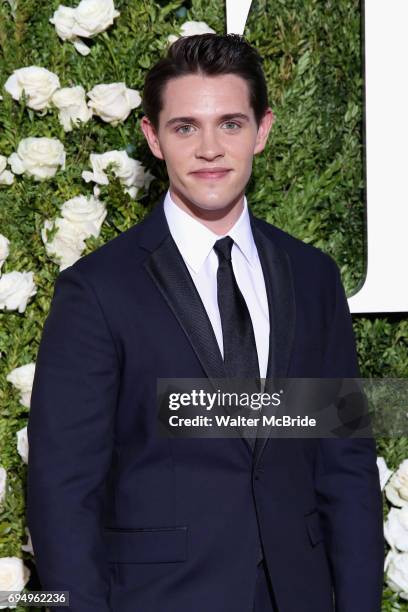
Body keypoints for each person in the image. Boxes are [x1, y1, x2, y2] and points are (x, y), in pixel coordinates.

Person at [27, 33, 384, 612]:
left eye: (231, 124)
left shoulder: (313, 276)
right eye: (186, 126)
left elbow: (345, 464)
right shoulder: (96, 290)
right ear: (153, 137)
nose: (210, 149)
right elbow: (63, 493)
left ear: (262, 130)